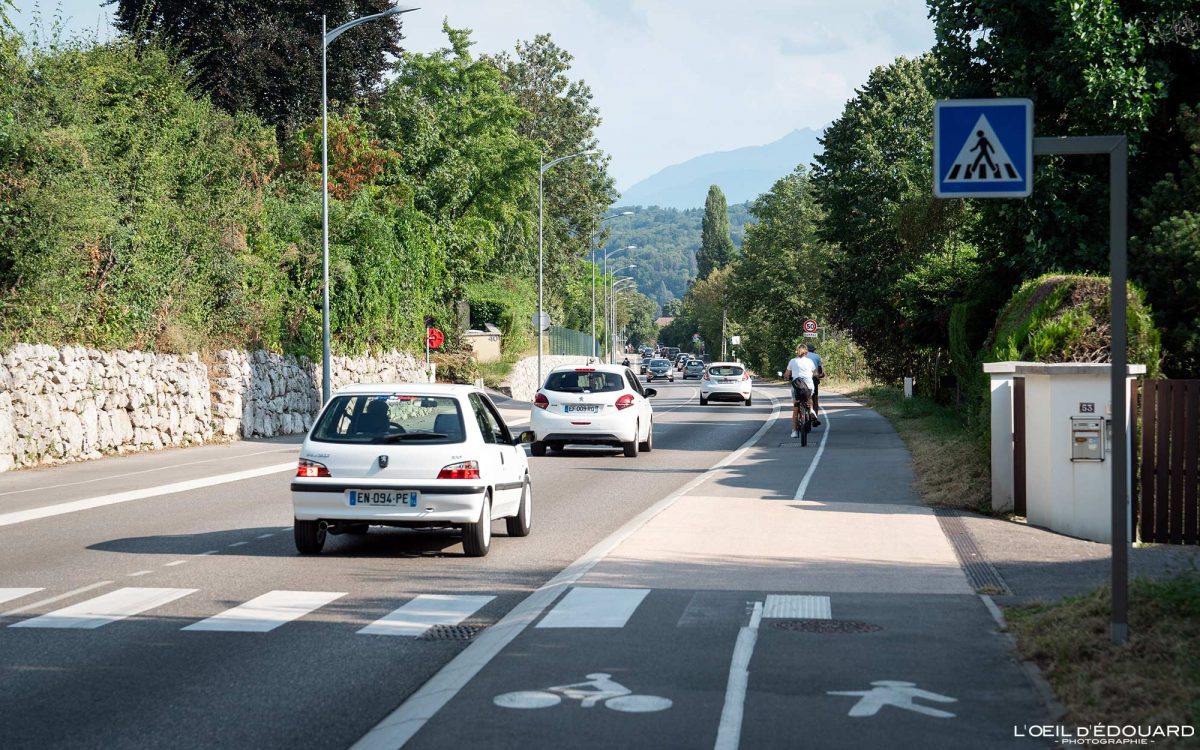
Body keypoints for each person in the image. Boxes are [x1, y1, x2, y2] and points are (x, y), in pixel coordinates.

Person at [784, 344, 817, 439]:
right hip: (808, 385)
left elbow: (787, 374)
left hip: (797, 385)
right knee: (809, 397)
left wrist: (786, 377)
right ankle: (811, 410)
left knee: (795, 408)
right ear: (806, 352)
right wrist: (816, 375)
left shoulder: (792, 361)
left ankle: (794, 431)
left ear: (797, 352)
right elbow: (815, 373)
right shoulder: (810, 361)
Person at [805, 342, 826, 423]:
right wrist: (820, 375)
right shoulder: (816, 356)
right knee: (815, 398)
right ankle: (815, 419)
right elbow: (820, 369)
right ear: (813, 350)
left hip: (801, 380)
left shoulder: (800, 357)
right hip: (813, 379)